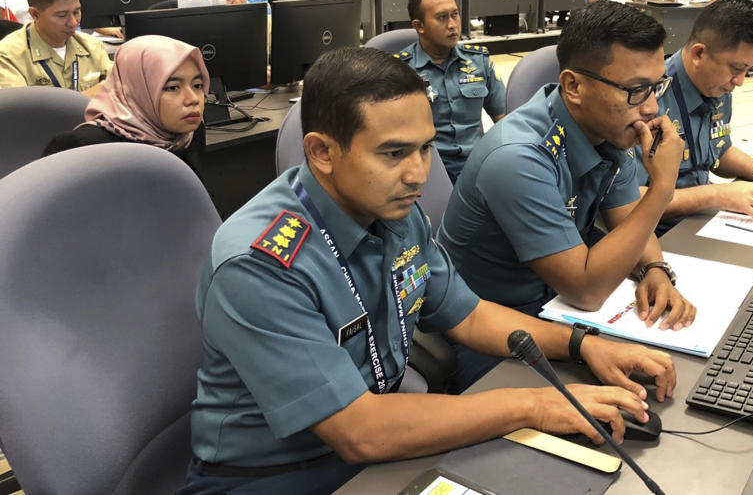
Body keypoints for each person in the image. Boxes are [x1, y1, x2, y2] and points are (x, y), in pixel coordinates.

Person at [177, 45, 676, 494]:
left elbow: (470, 316)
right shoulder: (260, 263)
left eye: (425, 148)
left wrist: (583, 344)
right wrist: (538, 405)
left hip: (380, 436)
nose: (419, 173)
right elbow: (360, 432)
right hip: (277, 475)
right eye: (394, 153)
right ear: (322, 152)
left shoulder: (394, 209)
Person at [438, 1, 696, 390]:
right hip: (492, 329)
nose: (651, 107)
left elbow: (629, 222)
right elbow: (587, 290)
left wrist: (657, 271)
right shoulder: (518, 157)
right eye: (636, 90)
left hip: (559, 308)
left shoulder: (609, 128)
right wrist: (662, 187)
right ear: (574, 86)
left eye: (657, 86)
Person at [633, 0, 753, 235]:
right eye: (736, 68)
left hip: (701, 218)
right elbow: (627, 201)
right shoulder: (647, 101)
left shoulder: (715, 84)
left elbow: (717, 150)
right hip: (656, 232)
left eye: (748, 70)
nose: (740, 81)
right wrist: (715, 195)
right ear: (699, 53)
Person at [43, 35, 208, 176]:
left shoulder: (188, 134)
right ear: (138, 90)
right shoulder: (84, 146)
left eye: (198, 85)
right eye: (173, 88)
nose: (193, 99)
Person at [395, 0, 505, 183]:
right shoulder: (401, 71)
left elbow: (504, 119)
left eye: (455, 14)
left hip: (478, 164)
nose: (453, 25)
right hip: (430, 170)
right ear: (419, 26)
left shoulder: (478, 61)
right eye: (442, 18)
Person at [0, 0, 110, 90]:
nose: (73, 22)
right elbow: (18, 107)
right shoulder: (9, 55)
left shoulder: (92, 46)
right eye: (62, 15)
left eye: (76, 12)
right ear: (35, 14)